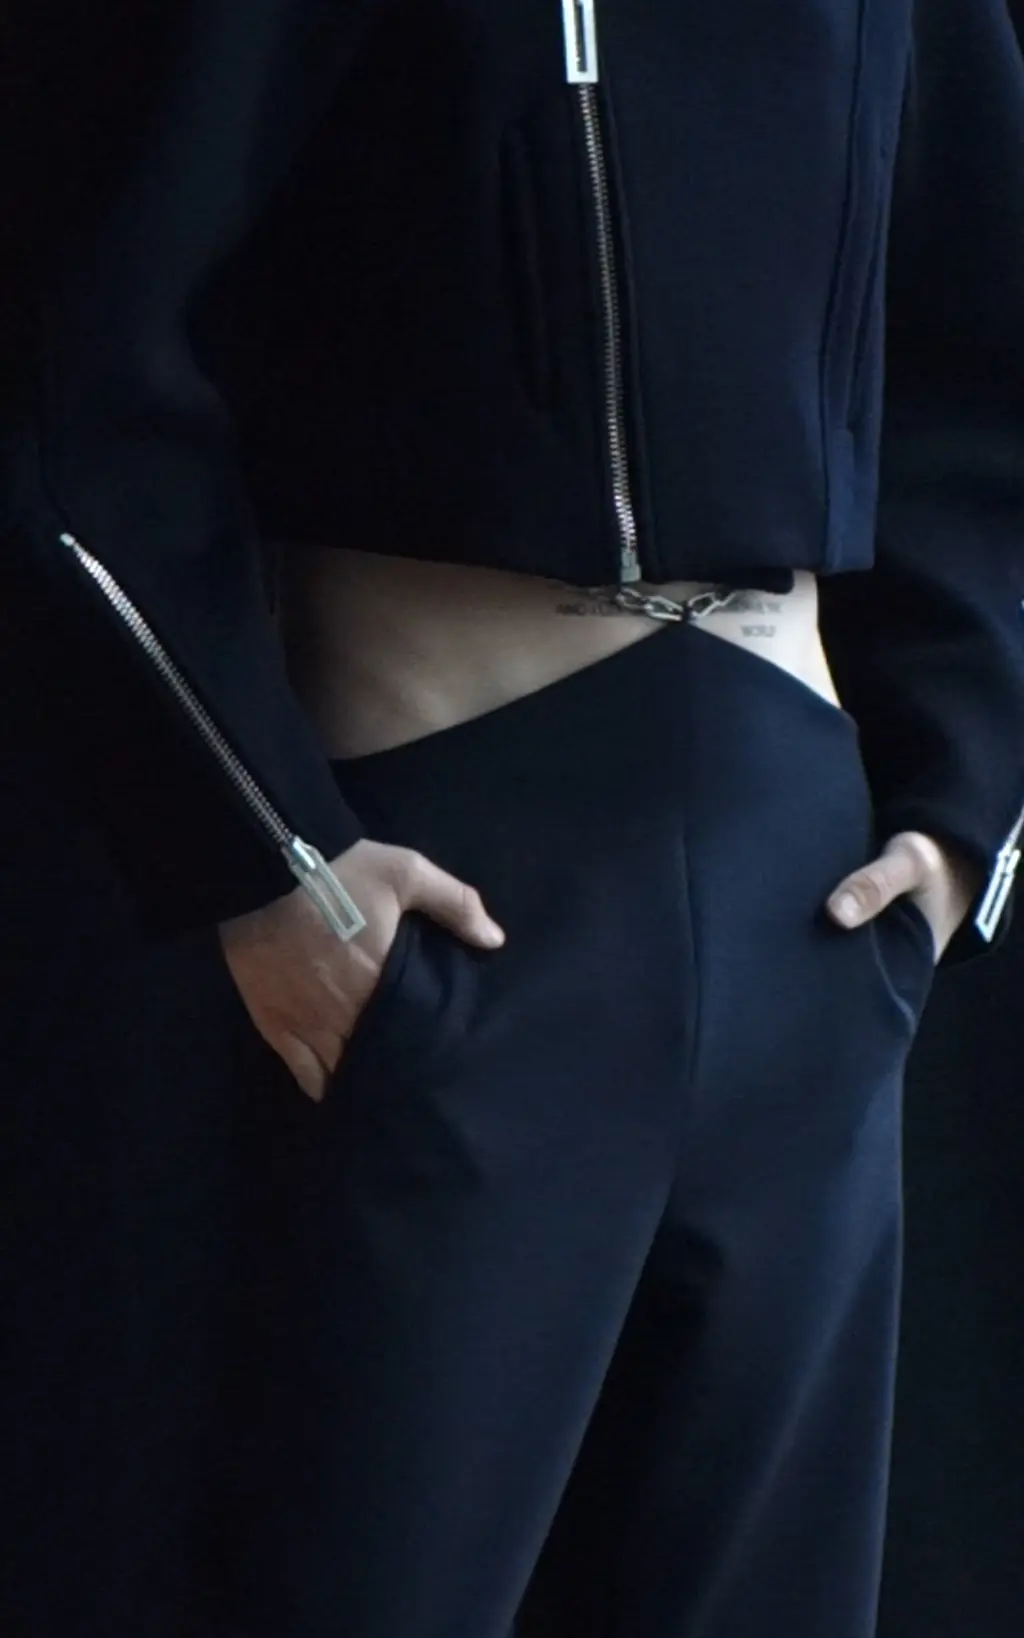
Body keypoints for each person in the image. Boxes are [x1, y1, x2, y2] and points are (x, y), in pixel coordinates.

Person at [2, 3, 1023, 1636]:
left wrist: (967, 809)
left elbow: (983, 333)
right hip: (451, 889)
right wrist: (264, 850)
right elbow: (83, 343)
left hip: (811, 895)